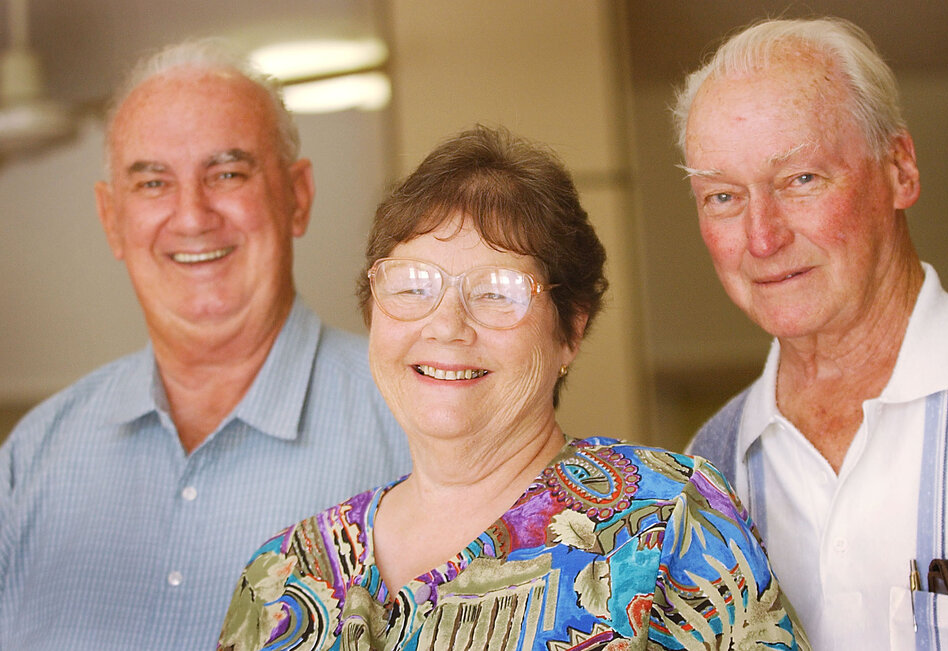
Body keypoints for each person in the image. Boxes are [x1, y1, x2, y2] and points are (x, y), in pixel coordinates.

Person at [216, 125, 808, 650]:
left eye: (497, 291)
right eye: (413, 286)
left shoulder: (665, 521)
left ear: (570, 330)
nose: (446, 326)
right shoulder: (281, 575)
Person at [0, 40, 410, 649]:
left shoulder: (416, 428)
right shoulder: (33, 456)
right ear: (112, 219)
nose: (192, 216)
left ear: (296, 196)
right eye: (153, 183)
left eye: (227, 174)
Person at [675, 16, 948, 650]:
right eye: (722, 197)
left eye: (801, 179)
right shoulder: (706, 473)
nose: (763, 238)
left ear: (900, 169)